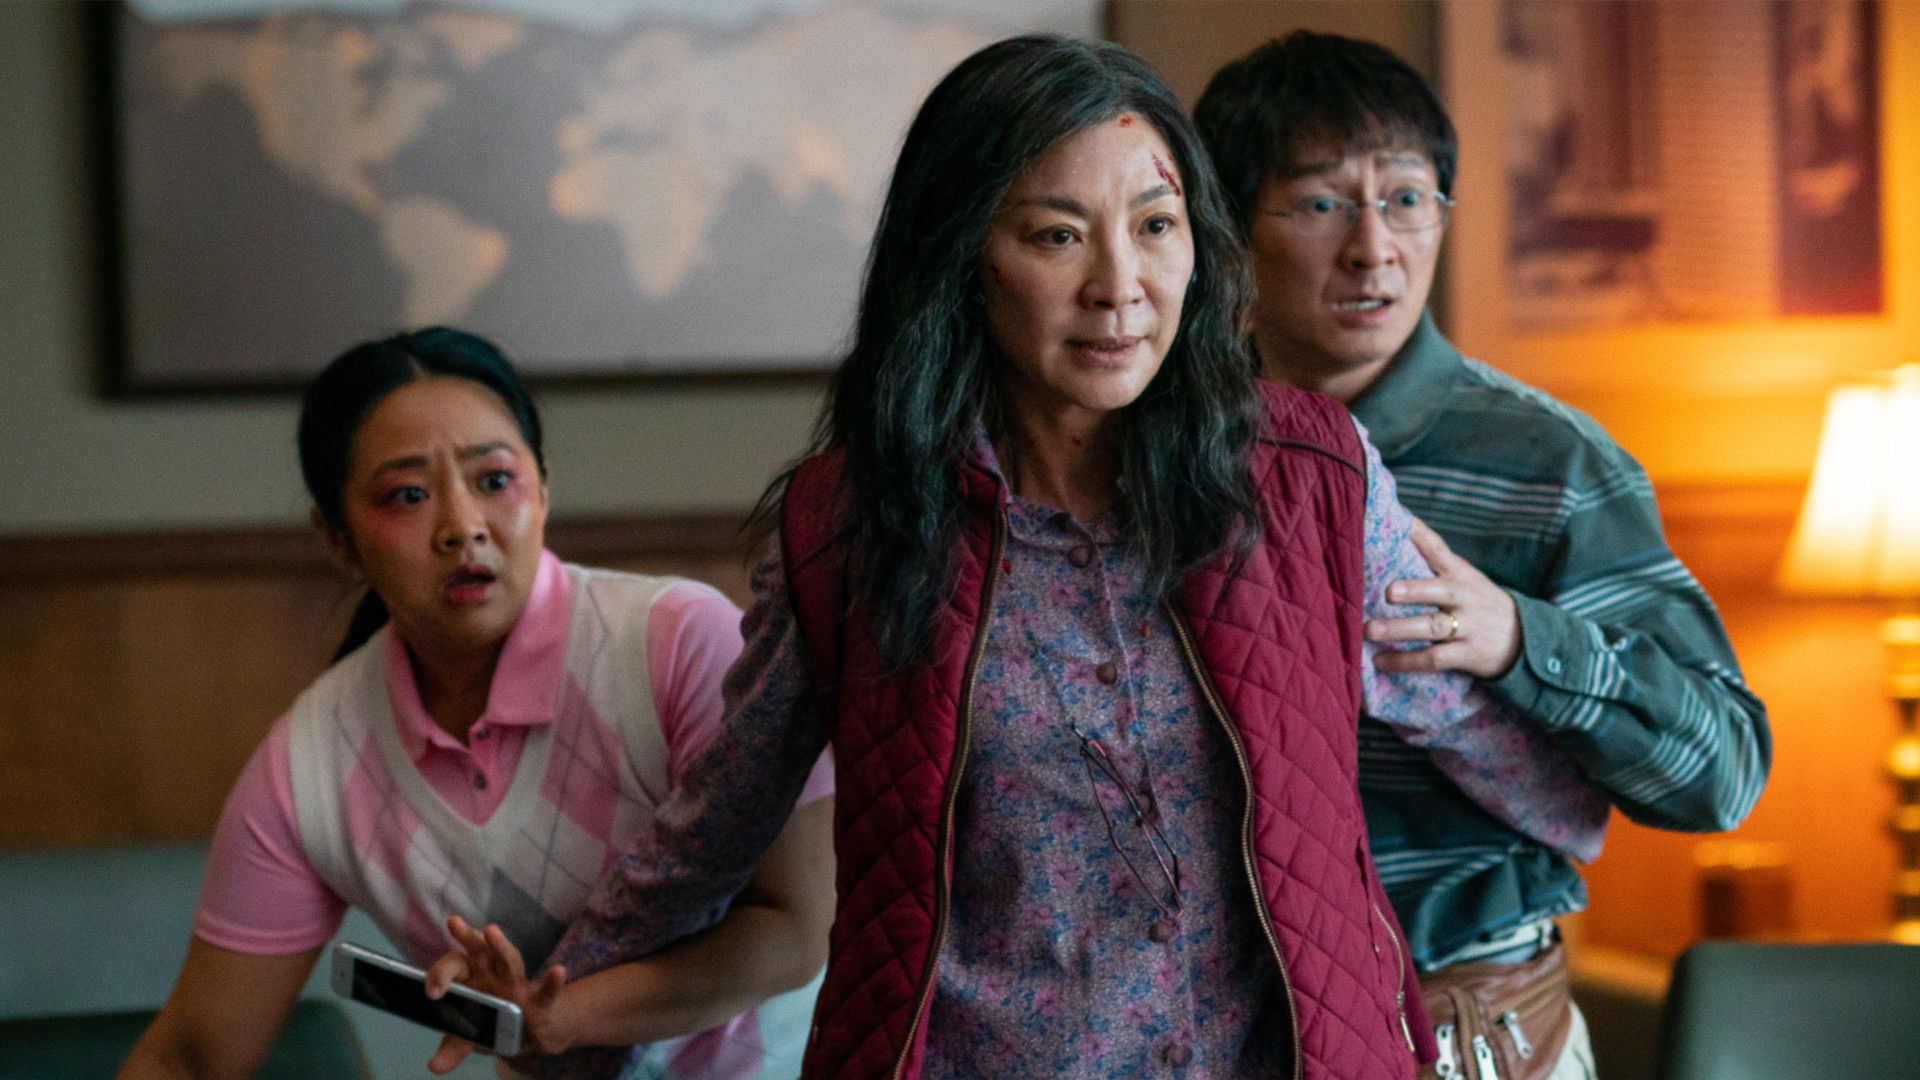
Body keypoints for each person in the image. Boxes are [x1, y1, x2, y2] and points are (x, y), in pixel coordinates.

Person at [439, 36, 1634, 1080]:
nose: (1121, 288)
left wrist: (1586, 779)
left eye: (1155, 226)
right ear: (967, 255)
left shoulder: (1311, 472)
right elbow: (718, 817)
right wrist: (554, 996)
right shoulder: (853, 523)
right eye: (1059, 235)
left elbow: (1453, 714)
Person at [1195, 31, 1772, 1079]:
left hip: (1471, 1030)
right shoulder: (1170, 451)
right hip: (1221, 1027)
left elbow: (1722, 774)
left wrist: (1517, 639)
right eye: (1321, 203)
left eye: (1407, 200)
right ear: (1229, 230)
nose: (1374, 248)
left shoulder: (1551, 463)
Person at [116, 328, 834, 1080]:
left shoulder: (679, 644)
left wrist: (563, 1017)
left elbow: (797, 925)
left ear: (544, 486)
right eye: (408, 495)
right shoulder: (312, 763)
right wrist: (538, 1026)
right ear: (337, 538)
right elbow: (192, 1056)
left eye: (494, 480)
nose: (463, 526)